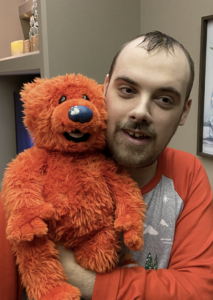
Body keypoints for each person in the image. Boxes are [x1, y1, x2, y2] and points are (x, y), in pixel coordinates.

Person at [1, 31, 213, 300]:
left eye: (164, 99)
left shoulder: (187, 173)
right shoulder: (37, 174)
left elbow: (200, 290)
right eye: (127, 90)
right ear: (104, 89)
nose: (141, 111)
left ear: (184, 112)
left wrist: (82, 278)